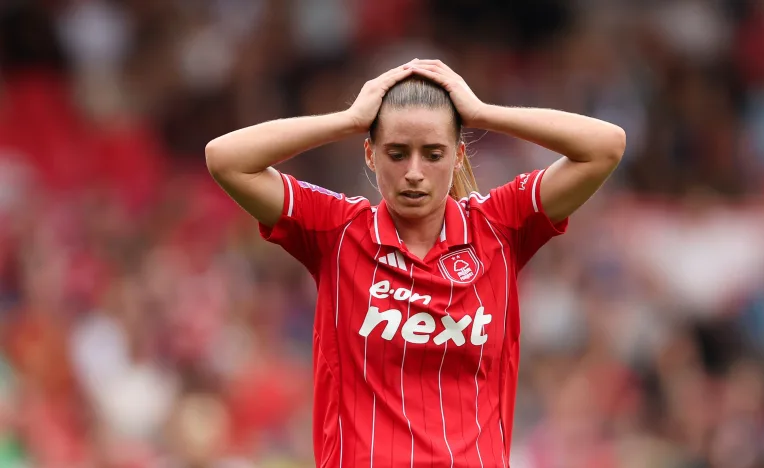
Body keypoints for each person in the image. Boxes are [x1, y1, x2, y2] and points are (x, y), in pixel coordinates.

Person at [205, 59, 625, 468]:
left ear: (459, 156)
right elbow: (226, 159)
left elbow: (605, 147)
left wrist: (482, 113)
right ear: (370, 154)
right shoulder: (337, 232)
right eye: (397, 152)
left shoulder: (500, 226)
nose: (414, 172)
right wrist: (348, 120)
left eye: (434, 153)